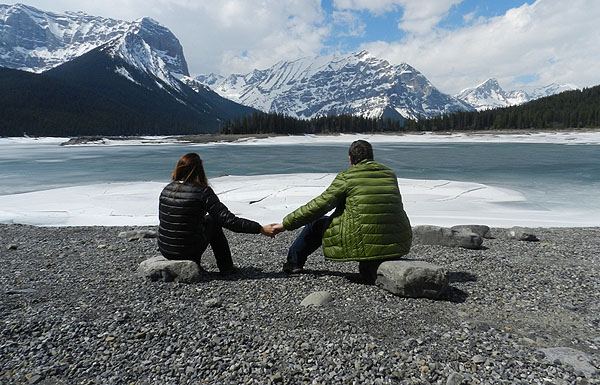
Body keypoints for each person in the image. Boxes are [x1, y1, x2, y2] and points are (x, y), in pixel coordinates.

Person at [273, 140, 412, 284]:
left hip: (363, 243)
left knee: (317, 222)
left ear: (350, 159)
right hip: (398, 243)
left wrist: (285, 224)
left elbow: (319, 206)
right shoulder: (389, 174)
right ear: (371, 157)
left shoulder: (346, 177)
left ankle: (293, 263)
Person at [158, 153, 277, 274]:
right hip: (187, 250)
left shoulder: (167, 189)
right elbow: (229, 221)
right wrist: (260, 229)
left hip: (165, 249)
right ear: (199, 170)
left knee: (205, 221)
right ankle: (226, 267)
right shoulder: (202, 191)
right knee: (214, 221)